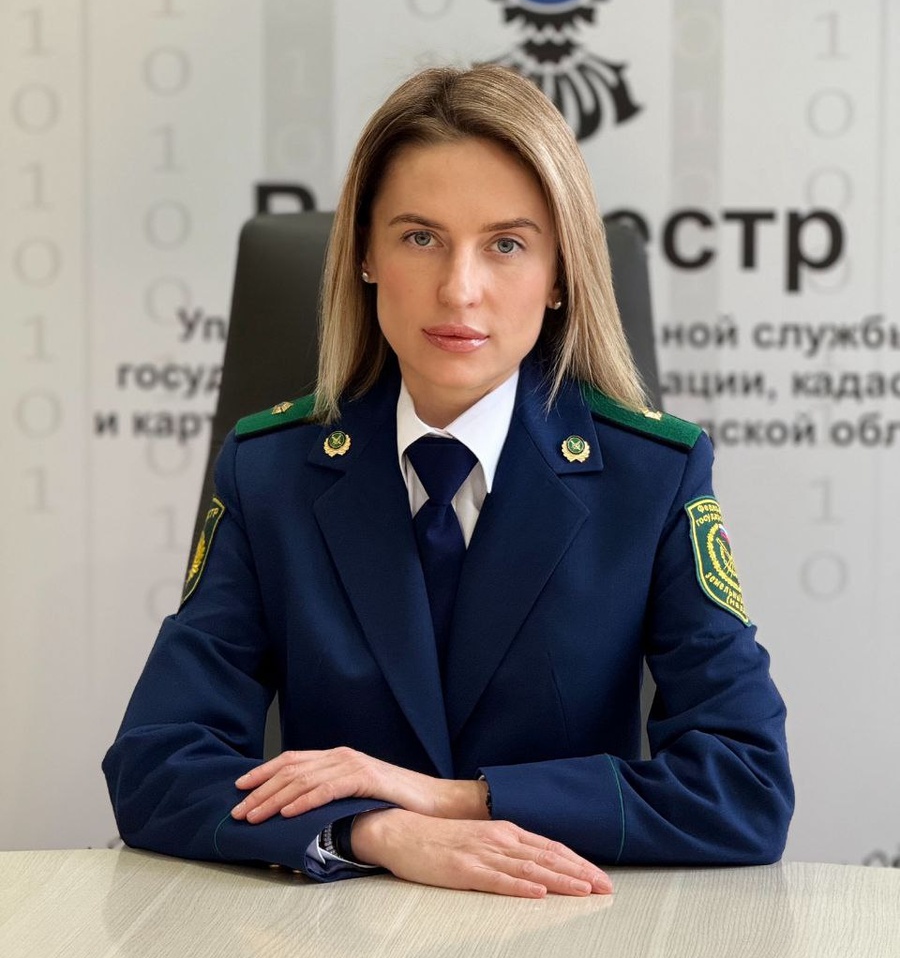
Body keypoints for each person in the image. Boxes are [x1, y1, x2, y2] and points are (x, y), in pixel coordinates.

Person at [103, 64, 793, 899]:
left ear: (560, 274)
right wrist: (374, 830)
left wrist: (454, 801)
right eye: (420, 238)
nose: (459, 289)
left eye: (507, 245)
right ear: (365, 254)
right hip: (333, 937)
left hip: (572, 933)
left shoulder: (653, 478)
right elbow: (156, 762)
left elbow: (745, 787)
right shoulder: (270, 472)